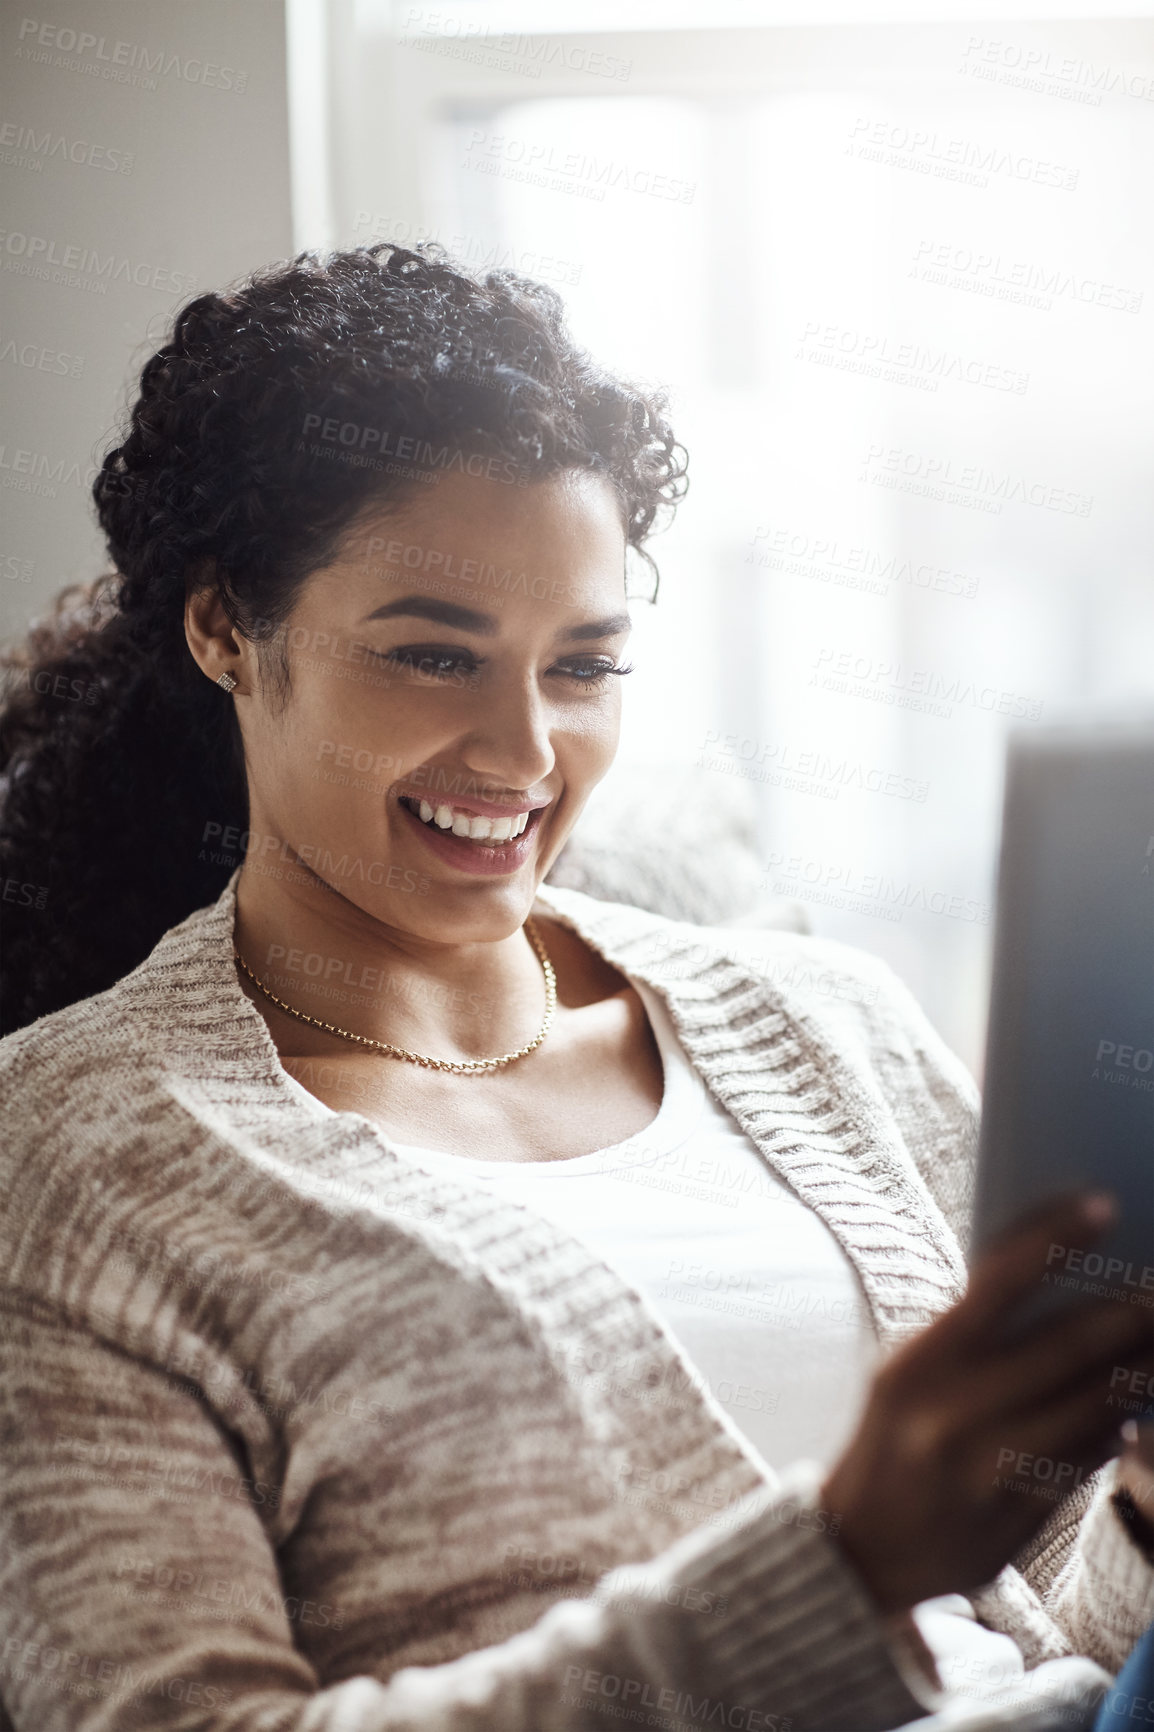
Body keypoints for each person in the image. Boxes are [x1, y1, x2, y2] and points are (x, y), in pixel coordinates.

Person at [0, 241, 1150, 1732]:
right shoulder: (73, 1171)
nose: (525, 755)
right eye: (433, 655)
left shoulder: (834, 1027)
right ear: (225, 628)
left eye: (584, 667)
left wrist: (1137, 1506)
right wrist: (839, 1567)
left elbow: (1053, 1618)